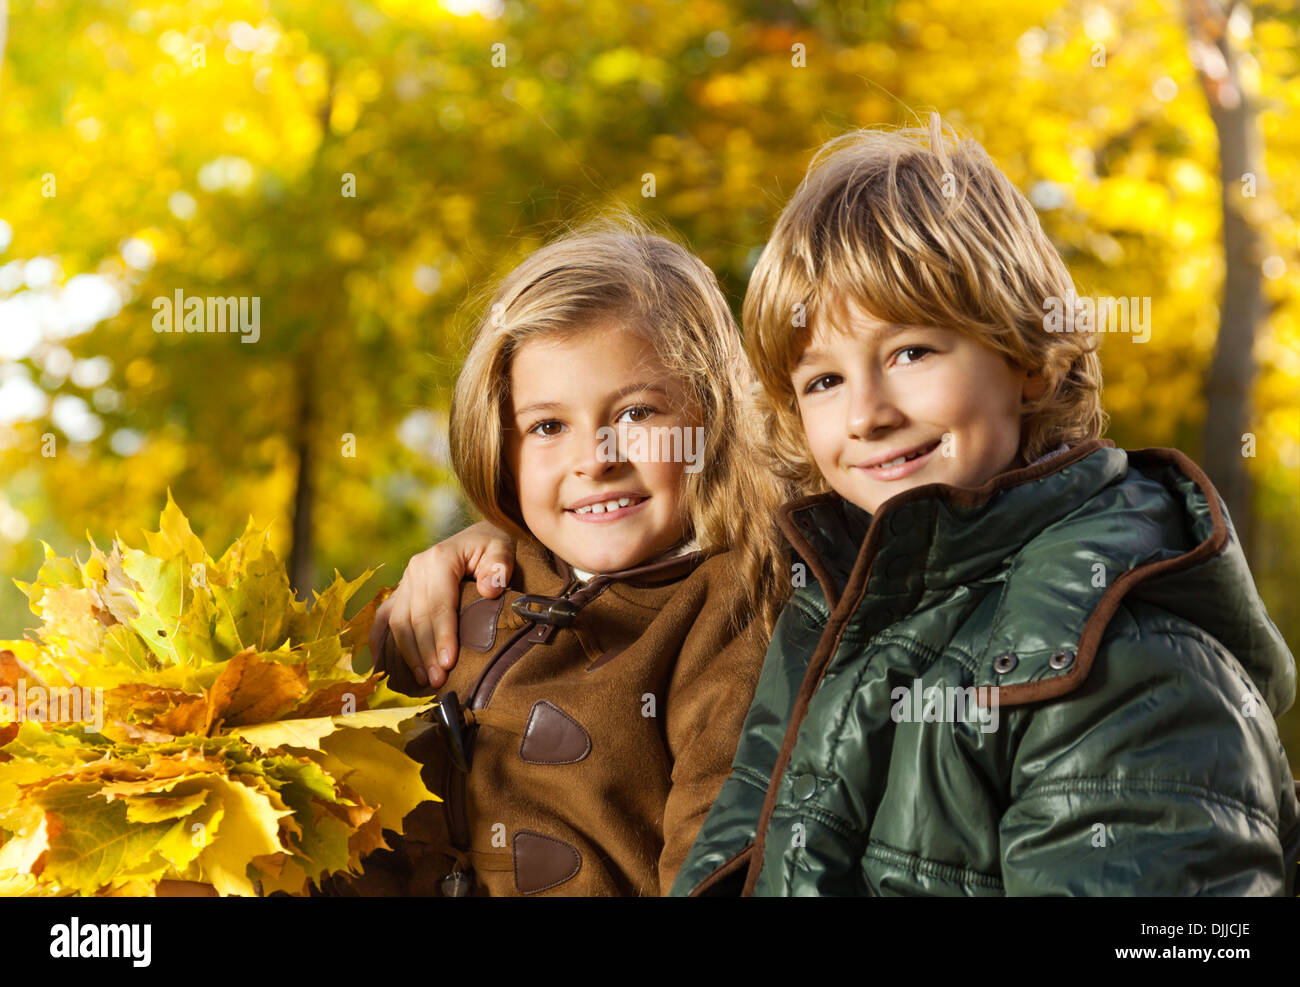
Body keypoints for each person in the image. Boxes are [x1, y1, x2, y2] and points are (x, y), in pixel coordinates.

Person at [376, 117, 1300, 896]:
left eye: (911, 353)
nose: (867, 412)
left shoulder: (1132, 663)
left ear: (1030, 357)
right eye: (822, 378)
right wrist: (477, 544)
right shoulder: (845, 601)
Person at [356, 219, 788, 896]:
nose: (596, 459)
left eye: (638, 413)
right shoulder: (466, 589)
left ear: (712, 414)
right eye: (549, 426)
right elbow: (360, 829)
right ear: (501, 443)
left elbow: (718, 854)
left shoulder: (735, 607)